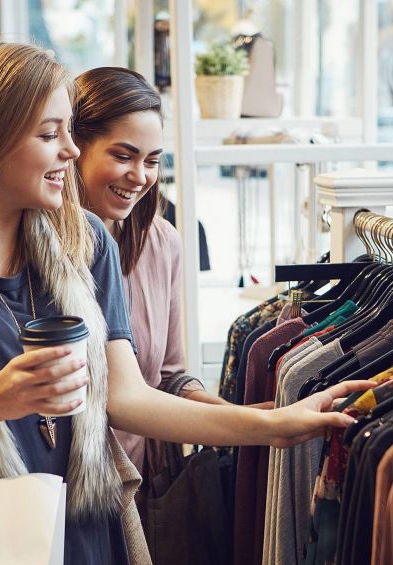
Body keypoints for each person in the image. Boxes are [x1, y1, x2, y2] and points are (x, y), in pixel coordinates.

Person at [0, 38, 368, 565]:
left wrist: (274, 425)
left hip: (86, 536)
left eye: (70, 131)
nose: (72, 152)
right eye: (50, 134)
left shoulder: (85, 243)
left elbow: (129, 400)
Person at [72, 66, 266, 484]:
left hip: (137, 480)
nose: (140, 176)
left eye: (152, 161)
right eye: (122, 156)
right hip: (60, 486)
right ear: (76, 147)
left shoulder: (162, 243)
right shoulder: (38, 247)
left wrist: (247, 417)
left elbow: (169, 378)